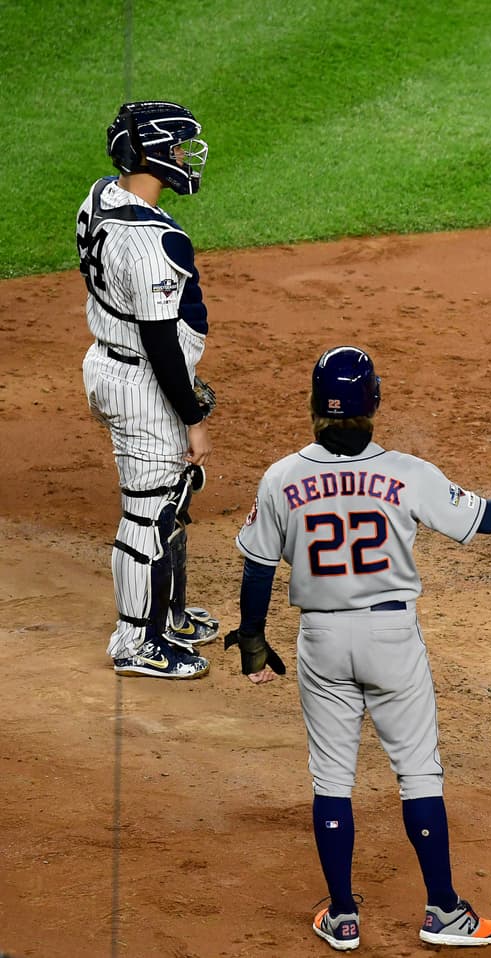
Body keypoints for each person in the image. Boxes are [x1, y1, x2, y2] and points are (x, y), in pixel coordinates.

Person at [228, 345, 491, 951]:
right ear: (374, 402)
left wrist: (251, 645)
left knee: (331, 779)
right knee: (418, 773)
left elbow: (257, 568)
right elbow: (483, 519)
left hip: (320, 639)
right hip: (391, 638)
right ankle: (444, 911)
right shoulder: (406, 473)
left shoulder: (281, 477)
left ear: (315, 407)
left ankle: (343, 915)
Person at [78, 100, 220, 679]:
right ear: (156, 153)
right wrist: (192, 414)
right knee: (148, 511)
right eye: (181, 147)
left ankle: (168, 616)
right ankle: (135, 643)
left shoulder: (102, 196)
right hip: (142, 380)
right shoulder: (152, 240)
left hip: (115, 361)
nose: (188, 157)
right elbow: (161, 339)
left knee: (173, 492)